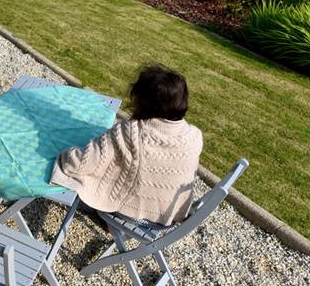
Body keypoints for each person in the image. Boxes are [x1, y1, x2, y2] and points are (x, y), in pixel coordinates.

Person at [50, 64, 202, 226]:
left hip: (134, 215)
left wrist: (66, 152)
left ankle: (108, 222)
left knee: (84, 180)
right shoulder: (194, 135)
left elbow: (79, 163)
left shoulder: (132, 132)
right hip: (169, 214)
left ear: (142, 101)